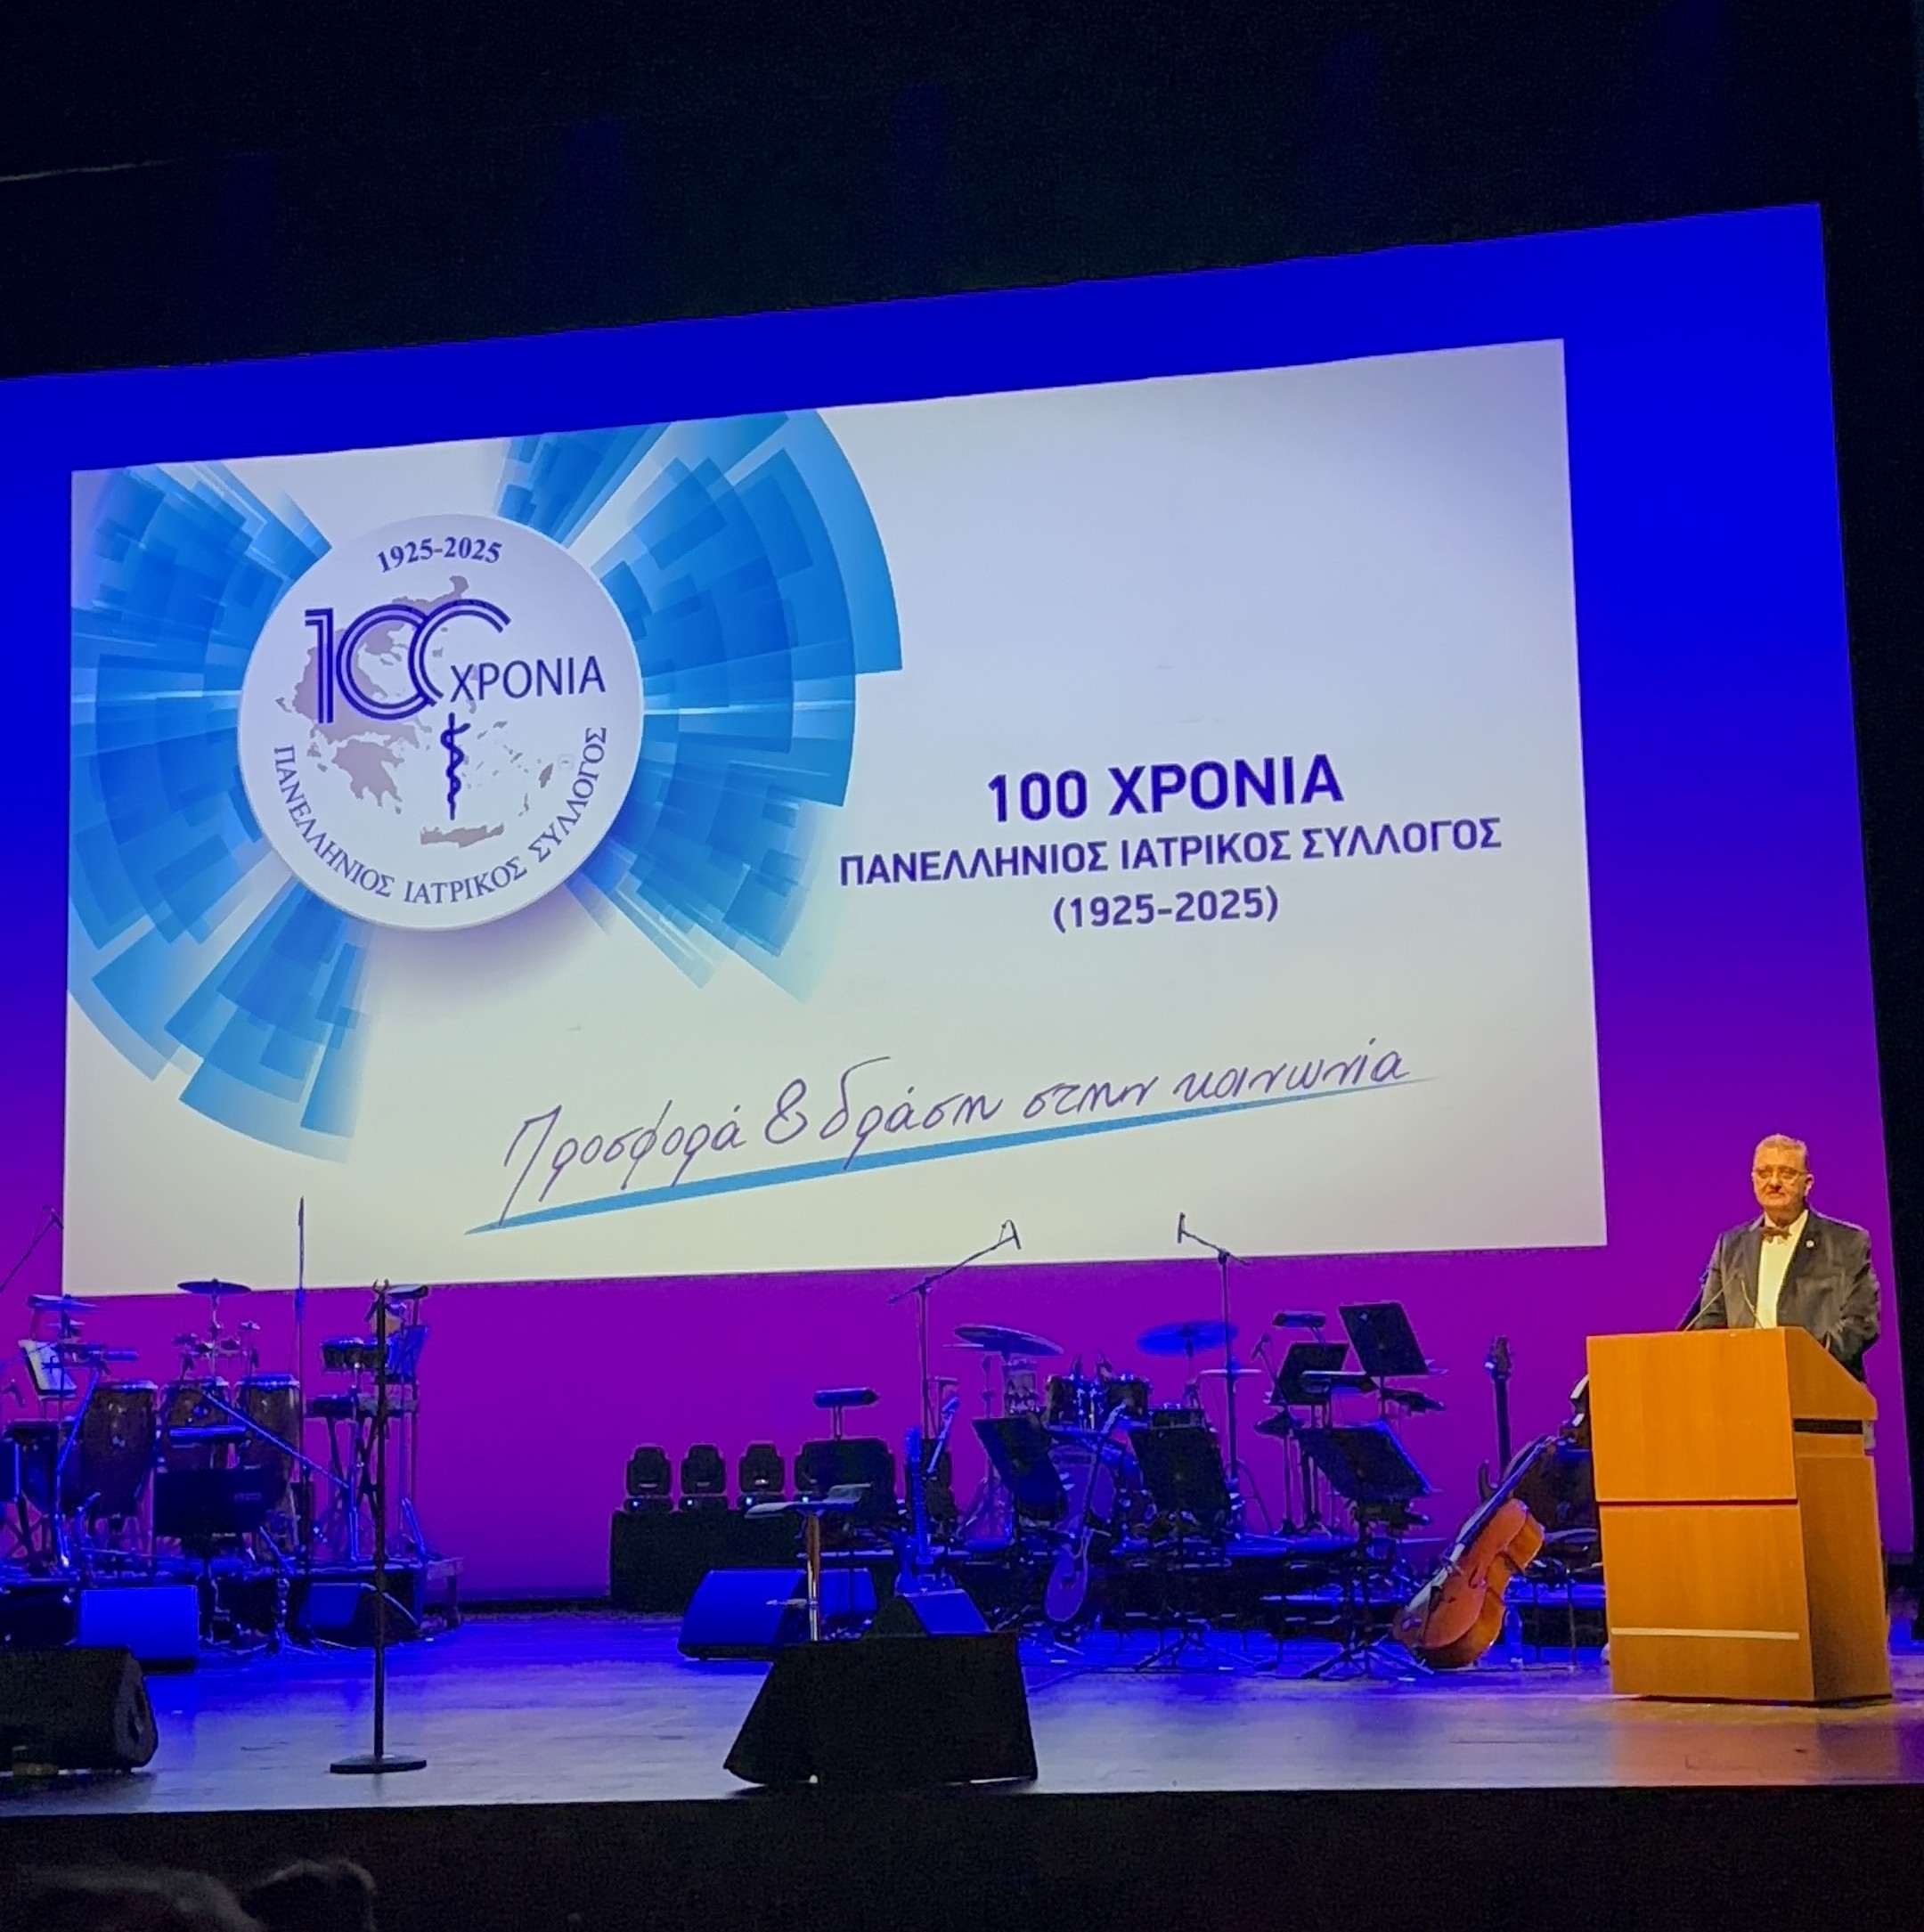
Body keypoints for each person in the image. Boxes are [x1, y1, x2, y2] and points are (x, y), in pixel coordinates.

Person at [1692, 1134, 1880, 1377]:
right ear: (1752, 1179)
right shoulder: (1730, 1245)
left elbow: (1862, 1323)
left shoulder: (1847, 1242)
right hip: (1746, 1384)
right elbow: (1709, 1323)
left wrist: (1804, 1359)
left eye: (1787, 1173)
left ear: (1807, 1183)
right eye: (1764, 1173)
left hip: (1820, 1383)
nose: (1774, 1182)